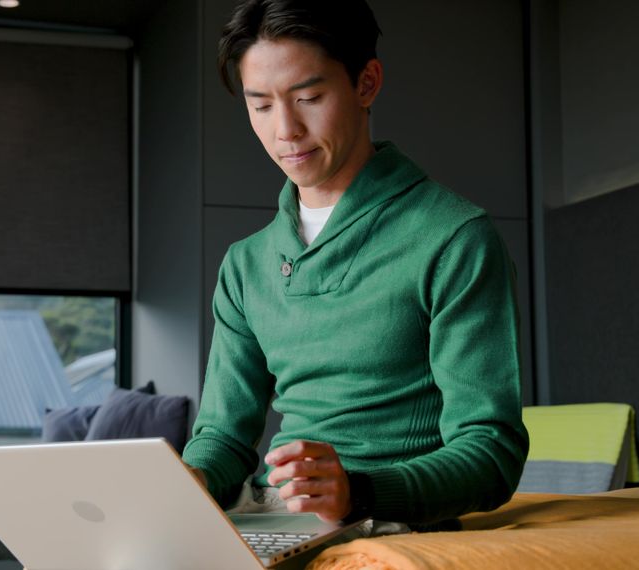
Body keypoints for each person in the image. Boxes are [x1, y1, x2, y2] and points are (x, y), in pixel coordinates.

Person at [181, 0, 530, 528]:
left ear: (367, 84)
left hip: (391, 516)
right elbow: (223, 438)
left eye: (309, 98)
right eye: (262, 106)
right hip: (273, 515)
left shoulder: (453, 237)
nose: (286, 130)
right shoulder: (245, 264)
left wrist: (359, 493)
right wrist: (193, 480)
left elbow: (491, 451)